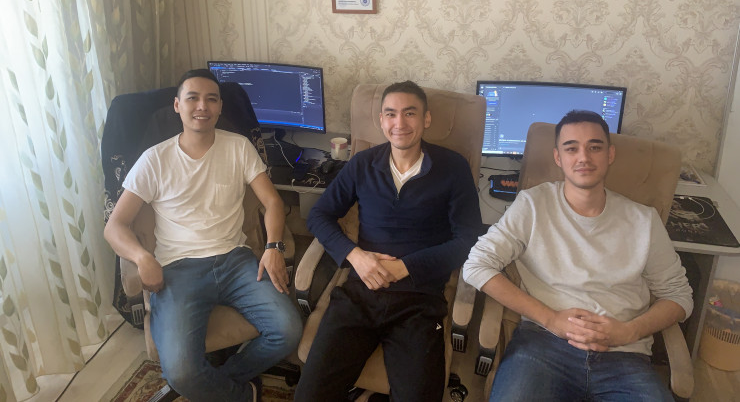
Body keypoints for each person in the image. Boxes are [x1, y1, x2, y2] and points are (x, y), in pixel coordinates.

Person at [463, 110, 693, 401]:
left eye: (594, 147)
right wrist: (551, 319)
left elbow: (679, 296)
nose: (583, 157)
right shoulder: (533, 204)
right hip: (543, 346)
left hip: (623, 356)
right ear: (558, 157)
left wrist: (629, 332)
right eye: (571, 148)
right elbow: (476, 265)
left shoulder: (644, 220)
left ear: (610, 154)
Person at [104, 69, 302, 402]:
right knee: (182, 372)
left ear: (220, 107)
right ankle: (243, 395)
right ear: (177, 105)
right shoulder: (154, 159)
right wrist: (142, 257)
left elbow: (272, 202)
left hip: (236, 261)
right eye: (192, 98)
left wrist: (273, 247)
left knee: (289, 331)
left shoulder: (238, 147)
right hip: (178, 269)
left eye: (211, 99)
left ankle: (216, 384)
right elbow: (115, 226)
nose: (202, 106)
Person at [294, 81, 482, 402]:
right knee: (310, 396)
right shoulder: (362, 164)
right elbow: (319, 216)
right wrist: (355, 256)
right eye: (391, 114)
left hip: (419, 300)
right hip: (360, 292)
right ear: (382, 121)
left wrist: (406, 268)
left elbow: (468, 239)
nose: (399, 123)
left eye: (410, 113)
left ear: (426, 119)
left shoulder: (453, 168)